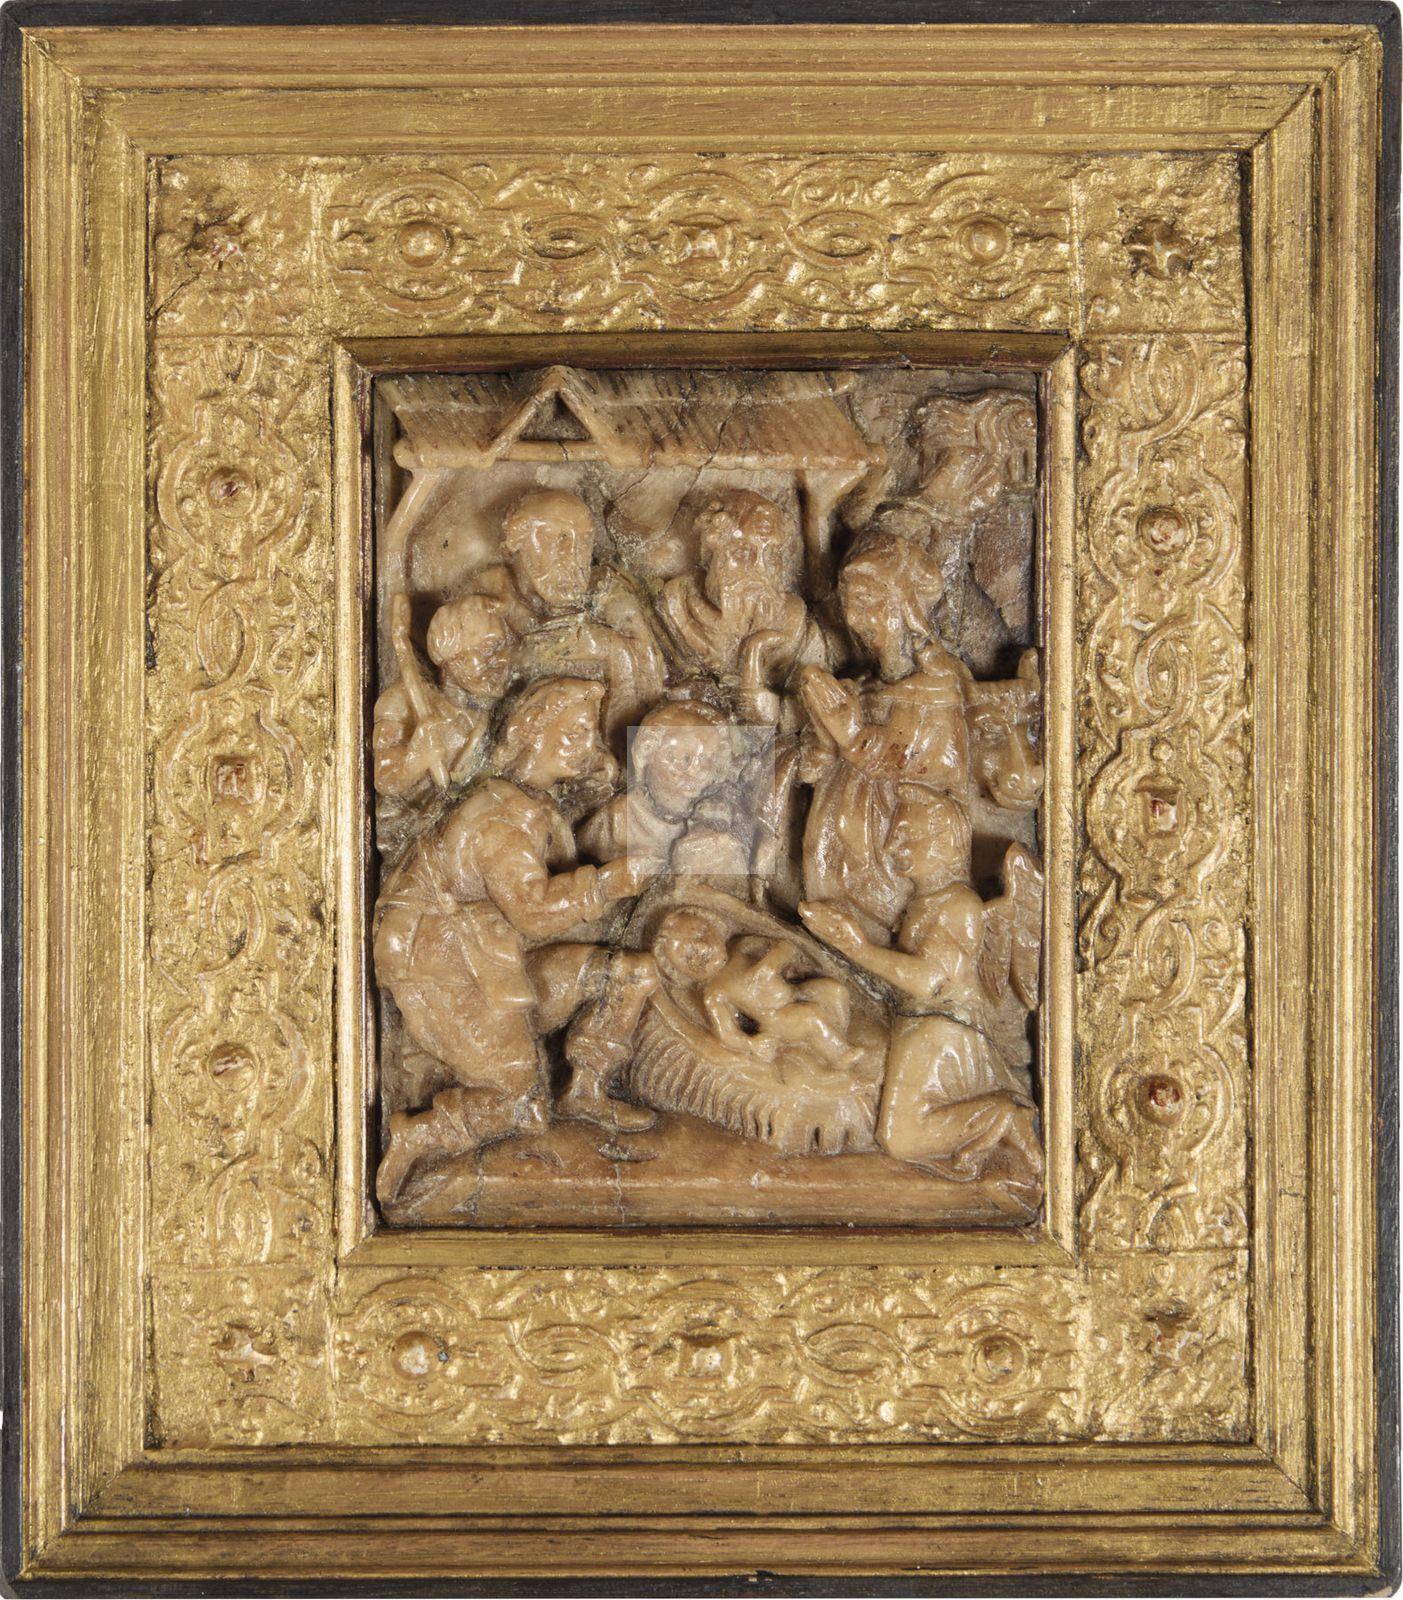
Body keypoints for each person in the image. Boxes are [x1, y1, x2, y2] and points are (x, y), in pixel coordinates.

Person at [374, 678, 657, 1201]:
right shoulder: (502, 816)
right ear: (531, 731)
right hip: (441, 963)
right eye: (571, 732)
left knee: (628, 974)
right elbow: (534, 910)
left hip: (496, 962)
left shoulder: (530, 802)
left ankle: (586, 1091)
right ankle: (420, 1133)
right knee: (517, 1102)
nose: (586, 744)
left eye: (588, 733)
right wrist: (608, 883)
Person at [798, 799, 1042, 1197]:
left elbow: (930, 980)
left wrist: (857, 947)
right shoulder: (925, 904)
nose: (893, 847)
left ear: (944, 842)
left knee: (902, 1137)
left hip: (942, 1032)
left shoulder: (959, 906)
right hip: (916, 1025)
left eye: (906, 836)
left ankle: (1001, 1116)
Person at [798, 529, 972, 939]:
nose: (855, 619)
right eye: (848, 605)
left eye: (867, 602)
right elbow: (824, 759)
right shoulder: (865, 685)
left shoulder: (939, 686)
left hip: (895, 842)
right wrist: (826, 738)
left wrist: (854, 736)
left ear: (904, 603)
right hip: (842, 835)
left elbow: (942, 765)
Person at [428, 488, 666, 743]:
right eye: (557, 538)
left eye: (584, 541)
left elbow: (648, 675)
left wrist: (609, 646)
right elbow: (467, 683)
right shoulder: (486, 596)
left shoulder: (607, 592)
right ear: (516, 540)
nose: (572, 556)